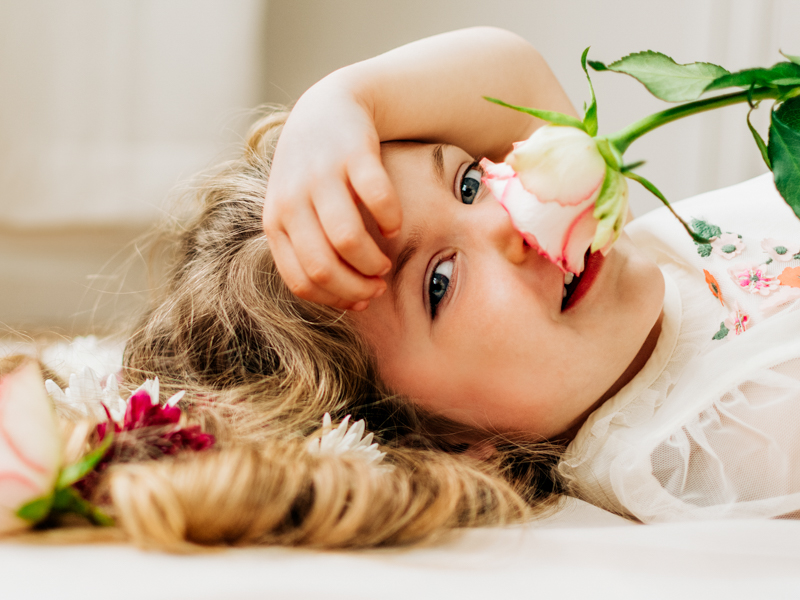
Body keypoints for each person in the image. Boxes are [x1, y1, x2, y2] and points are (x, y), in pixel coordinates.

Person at [26, 27, 800, 548]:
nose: (510, 220)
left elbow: (509, 69)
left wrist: (342, 102)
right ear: (458, 446)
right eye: (438, 282)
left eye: (468, 180)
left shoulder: (597, 274)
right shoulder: (687, 447)